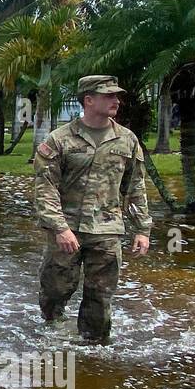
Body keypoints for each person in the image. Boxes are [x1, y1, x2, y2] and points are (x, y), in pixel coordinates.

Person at [33, 74, 152, 344]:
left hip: (107, 230)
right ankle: (51, 337)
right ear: (88, 100)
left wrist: (142, 230)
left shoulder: (127, 140)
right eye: (108, 95)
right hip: (67, 230)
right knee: (55, 289)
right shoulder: (59, 140)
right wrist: (60, 228)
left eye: (116, 96)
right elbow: (45, 188)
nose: (116, 101)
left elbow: (135, 187)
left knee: (100, 295)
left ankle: (94, 350)